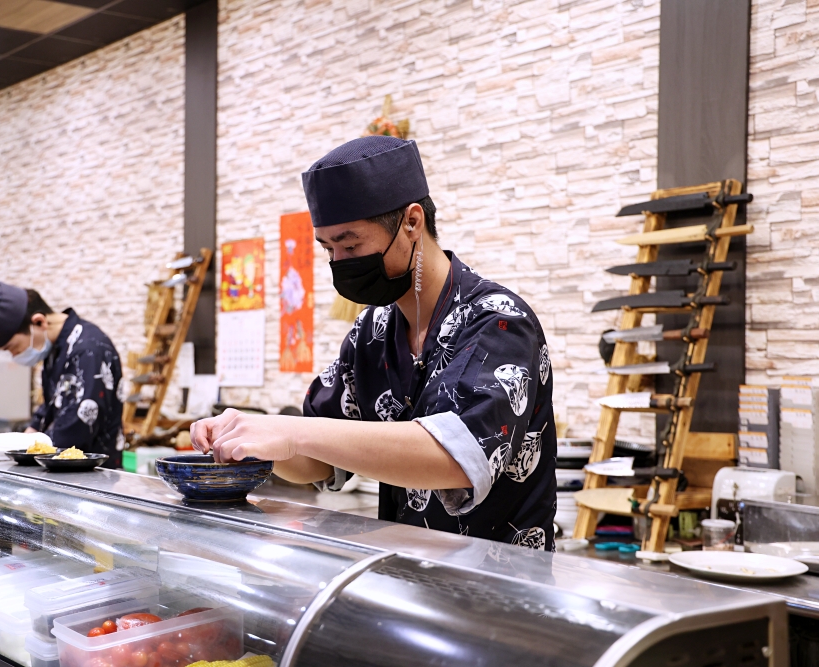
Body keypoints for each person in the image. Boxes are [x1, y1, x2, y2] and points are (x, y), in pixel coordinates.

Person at [192, 136, 557, 550]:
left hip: (502, 585)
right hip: (405, 577)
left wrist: (294, 431)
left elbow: (457, 458)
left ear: (412, 223)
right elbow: (315, 462)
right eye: (328, 249)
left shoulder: (498, 320)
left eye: (350, 245)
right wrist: (252, 442)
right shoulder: (374, 330)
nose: (339, 263)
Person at [0, 282, 125, 467]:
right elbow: (50, 407)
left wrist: (22, 450)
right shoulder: (57, 349)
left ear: (39, 322)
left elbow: (74, 430)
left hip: (95, 481)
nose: (14, 356)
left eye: (14, 348)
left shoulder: (89, 350)